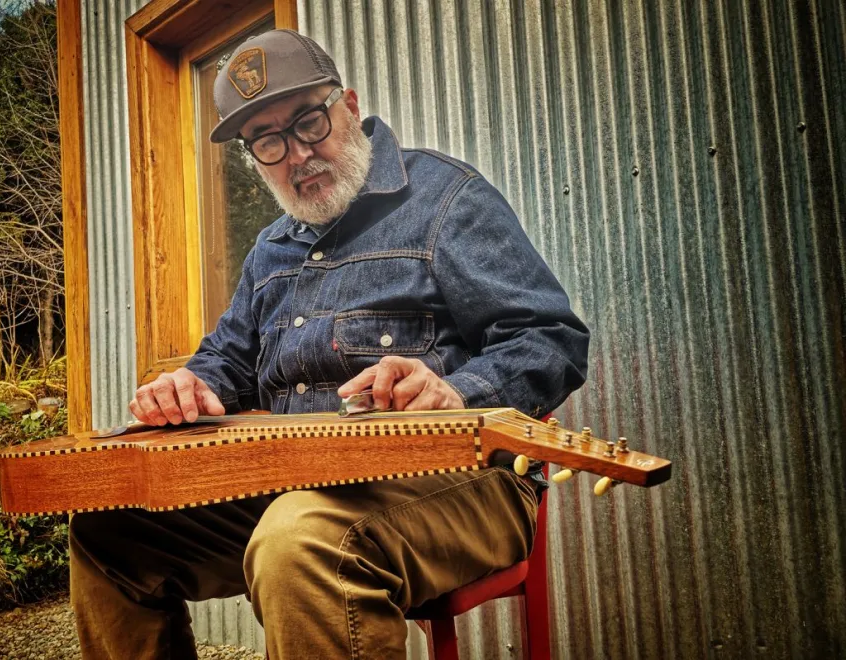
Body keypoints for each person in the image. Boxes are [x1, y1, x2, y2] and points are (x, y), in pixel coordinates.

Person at [70, 29, 589, 660]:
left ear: (348, 105)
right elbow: (227, 361)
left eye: (308, 122)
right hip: (295, 485)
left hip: (460, 481)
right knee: (109, 536)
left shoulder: (446, 199)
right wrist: (190, 385)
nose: (297, 154)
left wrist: (455, 391)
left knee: (299, 541)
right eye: (268, 141)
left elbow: (551, 338)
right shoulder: (270, 249)